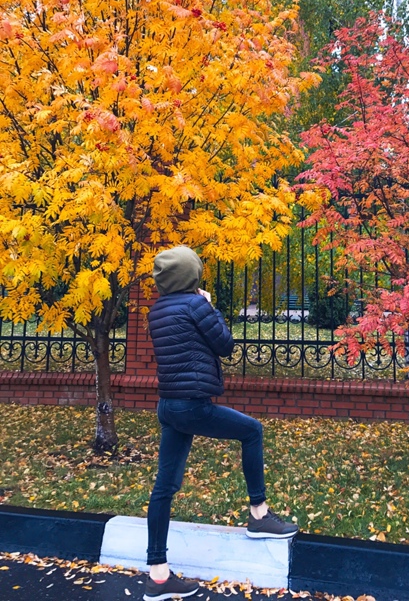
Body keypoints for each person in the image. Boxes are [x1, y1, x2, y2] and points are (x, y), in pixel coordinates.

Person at [144, 245, 298, 601]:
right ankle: (259, 514)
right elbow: (225, 345)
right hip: (192, 406)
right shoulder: (196, 305)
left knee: (164, 488)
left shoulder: (157, 310)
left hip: (169, 406)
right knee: (252, 431)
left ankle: (158, 576)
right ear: (191, 275)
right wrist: (210, 306)